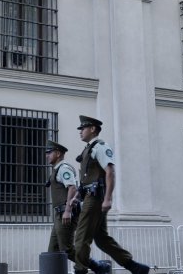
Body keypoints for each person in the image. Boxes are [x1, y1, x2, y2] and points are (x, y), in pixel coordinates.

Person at [69, 115, 150, 274]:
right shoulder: (88, 149)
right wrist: (77, 196)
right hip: (89, 196)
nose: (80, 132)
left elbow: (110, 172)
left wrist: (108, 198)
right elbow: (86, 179)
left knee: (81, 238)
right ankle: (134, 267)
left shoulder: (100, 146)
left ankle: (80, 270)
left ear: (92, 129)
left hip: (95, 199)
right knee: (102, 239)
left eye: (83, 128)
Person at [45, 140, 82, 273]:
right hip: (59, 215)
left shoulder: (63, 168)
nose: (46, 155)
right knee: (53, 251)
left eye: (49, 152)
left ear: (58, 153)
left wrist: (67, 210)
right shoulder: (56, 169)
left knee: (66, 249)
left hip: (65, 214)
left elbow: (72, 188)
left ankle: (96, 265)